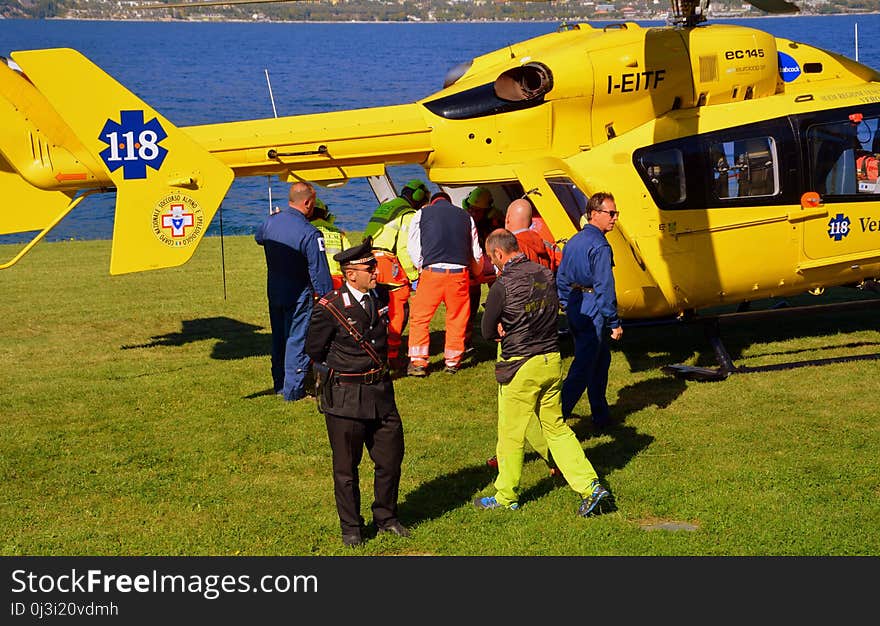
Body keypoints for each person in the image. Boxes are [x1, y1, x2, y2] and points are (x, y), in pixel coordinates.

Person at [474, 229, 611, 516]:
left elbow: (487, 330)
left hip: (520, 365)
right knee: (557, 428)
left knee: (510, 433)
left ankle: (506, 495)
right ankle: (590, 486)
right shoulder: (545, 274)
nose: (493, 263)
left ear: (499, 254)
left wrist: (502, 327)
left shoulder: (503, 284)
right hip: (550, 359)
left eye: (491, 258)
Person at [305, 240, 410, 548]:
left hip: (381, 394)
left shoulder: (377, 297)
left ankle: (386, 517)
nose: (376, 271)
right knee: (346, 469)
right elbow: (314, 349)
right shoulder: (330, 307)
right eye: (370, 268)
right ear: (351, 275)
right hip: (346, 398)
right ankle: (351, 527)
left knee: (390, 460)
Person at [255, 181, 333, 401]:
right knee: (297, 340)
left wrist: (274, 217)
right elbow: (319, 272)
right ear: (308, 202)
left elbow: (259, 237)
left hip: (275, 290)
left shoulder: (271, 222)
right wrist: (328, 299)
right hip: (298, 293)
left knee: (279, 338)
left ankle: (279, 383)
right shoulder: (310, 233)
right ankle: (294, 391)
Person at [556, 191, 624, 428]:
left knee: (599, 359)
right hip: (592, 306)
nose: (615, 218)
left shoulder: (574, 240)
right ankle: (557, 417)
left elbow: (561, 277)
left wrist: (567, 303)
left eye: (616, 213)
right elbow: (605, 287)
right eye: (611, 213)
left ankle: (601, 414)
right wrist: (613, 322)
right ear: (595, 214)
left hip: (576, 304)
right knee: (584, 366)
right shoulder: (600, 246)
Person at [406, 190, 483, 375]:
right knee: (457, 318)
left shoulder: (421, 214)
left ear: (432, 202)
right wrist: (476, 272)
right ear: (450, 202)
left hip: (432, 273)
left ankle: (418, 362)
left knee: (420, 317)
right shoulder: (466, 217)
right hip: (459, 274)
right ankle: (453, 362)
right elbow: (476, 252)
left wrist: (422, 266)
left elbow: (413, 247)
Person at [364, 179, 430, 370]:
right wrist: (413, 276)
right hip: (386, 261)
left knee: (376, 306)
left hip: (370, 259)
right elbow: (404, 248)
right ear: (418, 198)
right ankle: (392, 355)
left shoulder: (387, 206)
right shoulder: (408, 214)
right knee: (399, 304)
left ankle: (374, 346)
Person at [462, 186, 504, 354]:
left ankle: (503, 332)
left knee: (500, 300)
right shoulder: (465, 220)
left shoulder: (496, 222)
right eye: (471, 209)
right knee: (470, 305)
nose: (474, 213)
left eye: (478, 210)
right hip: (474, 267)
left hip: (492, 268)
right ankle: (466, 341)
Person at [505, 198, 562, 272]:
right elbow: (562, 265)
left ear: (507, 219)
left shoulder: (506, 247)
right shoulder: (548, 245)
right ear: (531, 222)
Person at [309, 197, 351, 290]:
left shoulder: (306, 231)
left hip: (315, 281)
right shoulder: (338, 233)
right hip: (338, 281)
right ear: (325, 213)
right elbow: (350, 256)